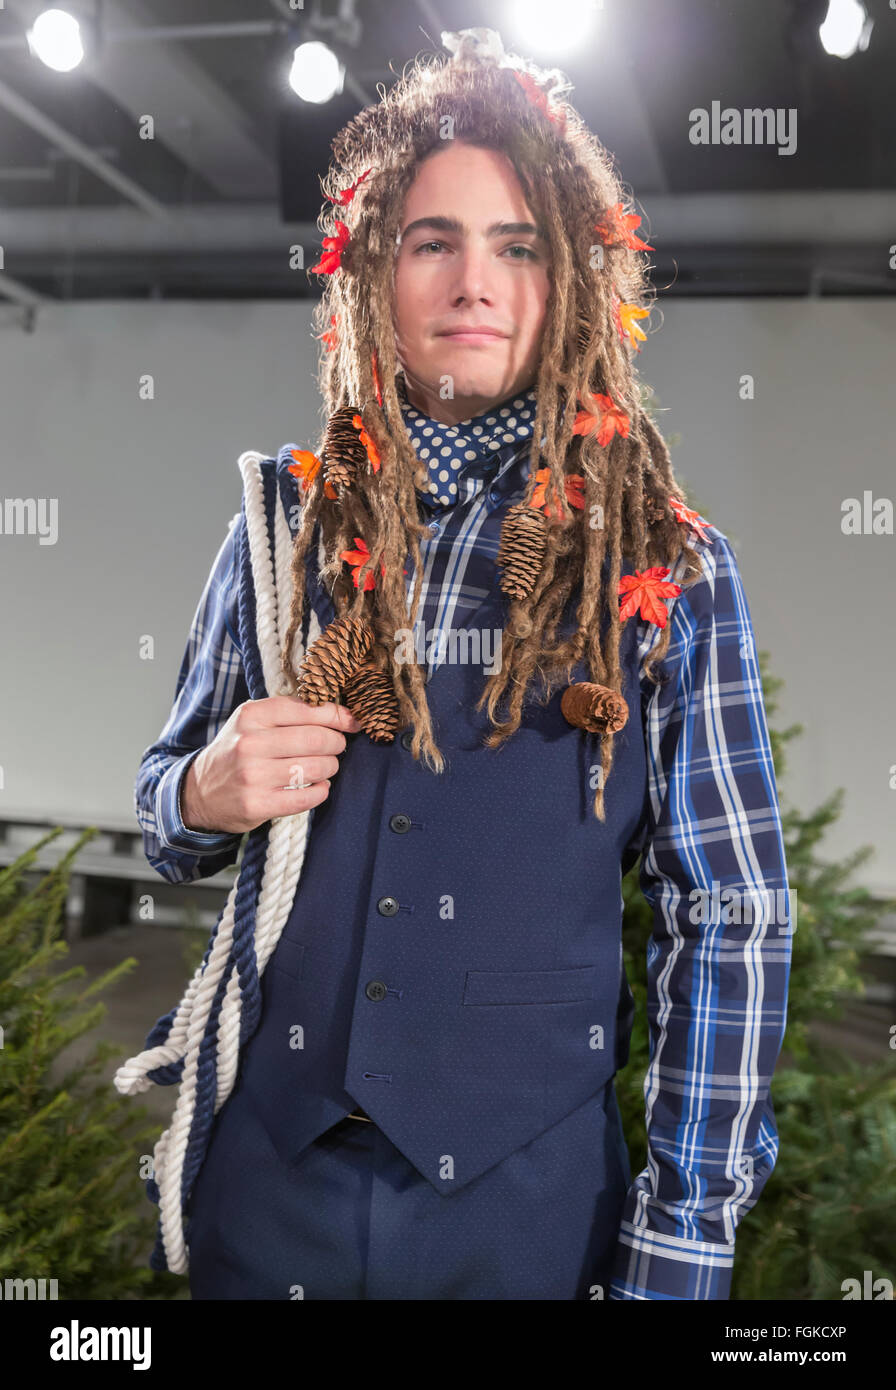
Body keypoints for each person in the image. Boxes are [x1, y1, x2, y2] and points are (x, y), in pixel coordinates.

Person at [120, 27, 793, 1300]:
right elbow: (167, 818)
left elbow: (730, 920)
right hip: (266, 1199)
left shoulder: (670, 568)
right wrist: (203, 786)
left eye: (516, 246)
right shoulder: (280, 528)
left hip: (529, 1218)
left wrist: (682, 1240)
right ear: (374, 272)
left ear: (573, 283)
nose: (471, 281)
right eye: (432, 240)